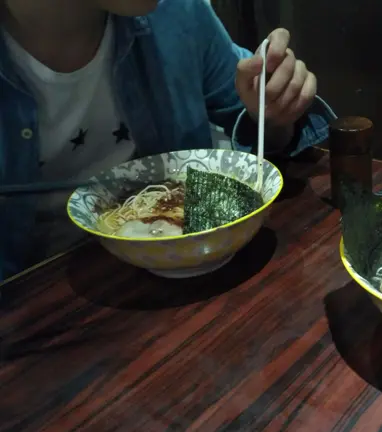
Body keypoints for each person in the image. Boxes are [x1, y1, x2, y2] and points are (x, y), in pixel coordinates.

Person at [0, 0, 336, 281]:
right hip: (33, 309)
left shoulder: (177, 11)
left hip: (185, 276)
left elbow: (257, 124)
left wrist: (275, 112)